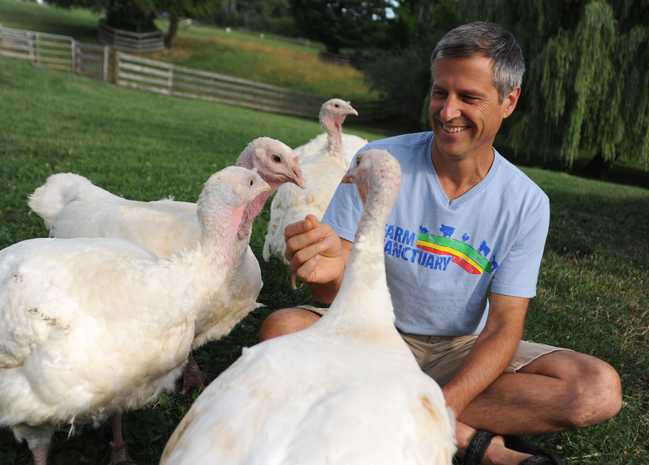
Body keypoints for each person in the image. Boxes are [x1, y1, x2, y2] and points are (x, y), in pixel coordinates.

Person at [259, 22, 622, 465]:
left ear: (509, 101)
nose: (447, 111)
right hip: (371, 334)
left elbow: (505, 327)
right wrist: (329, 274)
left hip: (461, 348)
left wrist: (445, 404)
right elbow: (335, 293)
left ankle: (409, 416)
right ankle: (478, 445)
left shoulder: (526, 202)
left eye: (468, 97)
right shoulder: (380, 161)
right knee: (282, 331)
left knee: (595, 389)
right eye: (439, 93)